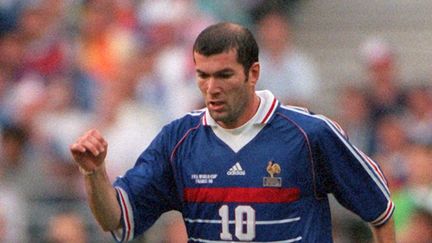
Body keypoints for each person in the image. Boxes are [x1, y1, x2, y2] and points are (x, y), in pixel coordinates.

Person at [70, 22, 395, 242]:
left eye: (224, 75)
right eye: (203, 75)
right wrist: (94, 172)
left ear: (253, 73)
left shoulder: (310, 134)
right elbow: (116, 219)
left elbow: (379, 209)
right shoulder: (178, 140)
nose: (211, 88)